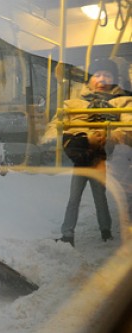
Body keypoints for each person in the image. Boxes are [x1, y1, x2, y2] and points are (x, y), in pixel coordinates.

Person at [41, 58, 132, 247]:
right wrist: (55, 139)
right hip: (81, 159)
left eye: (107, 75)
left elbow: (128, 127)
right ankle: (67, 234)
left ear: (115, 80)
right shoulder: (73, 104)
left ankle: (105, 230)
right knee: (74, 198)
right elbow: (55, 127)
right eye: (96, 75)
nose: (101, 79)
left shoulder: (124, 102)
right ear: (89, 80)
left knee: (100, 197)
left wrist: (112, 137)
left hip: (104, 159)